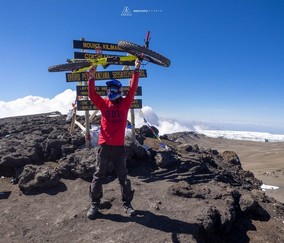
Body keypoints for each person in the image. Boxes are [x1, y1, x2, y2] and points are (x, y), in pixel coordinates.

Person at [87, 58, 141, 219]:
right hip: (103, 146)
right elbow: (91, 94)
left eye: (112, 88)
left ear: (118, 90)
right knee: (98, 176)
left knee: (123, 177)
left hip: (118, 148)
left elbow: (132, 88)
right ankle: (95, 204)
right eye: (108, 88)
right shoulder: (104, 104)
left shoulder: (125, 104)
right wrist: (91, 78)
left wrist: (136, 70)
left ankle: (127, 204)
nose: (109, 91)